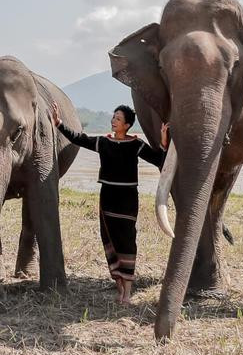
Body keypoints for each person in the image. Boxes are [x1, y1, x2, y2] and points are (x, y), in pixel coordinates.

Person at [51, 101, 169, 303]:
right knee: (111, 240)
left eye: (118, 119)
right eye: (114, 117)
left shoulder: (136, 144)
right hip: (108, 198)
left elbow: (159, 160)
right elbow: (79, 139)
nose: (114, 121)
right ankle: (119, 288)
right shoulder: (103, 142)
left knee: (127, 240)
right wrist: (59, 123)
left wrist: (164, 141)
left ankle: (128, 292)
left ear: (127, 125)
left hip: (128, 200)